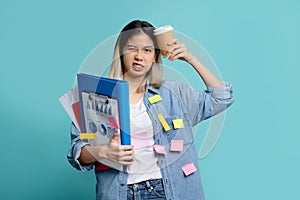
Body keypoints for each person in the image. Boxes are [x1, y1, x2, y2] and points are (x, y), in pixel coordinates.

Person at [67, 20, 234, 200]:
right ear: (121, 53)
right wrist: (103, 152)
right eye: (132, 48)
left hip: (166, 190)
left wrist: (191, 59)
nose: (139, 56)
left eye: (147, 50)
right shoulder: (95, 95)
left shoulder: (173, 94)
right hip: (119, 193)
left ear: (155, 56)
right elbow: (77, 153)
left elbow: (221, 98)